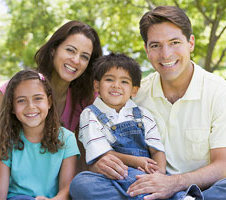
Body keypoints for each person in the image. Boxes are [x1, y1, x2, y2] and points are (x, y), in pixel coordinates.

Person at [72, 6, 226, 200]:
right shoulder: (135, 94)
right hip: (143, 185)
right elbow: (103, 151)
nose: (166, 54)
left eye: (174, 42)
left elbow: (225, 167)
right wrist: (99, 164)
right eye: (155, 45)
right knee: (83, 184)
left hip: (198, 191)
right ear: (146, 49)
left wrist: (172, 183)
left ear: (191, 43)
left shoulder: (222, 94)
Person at [0, 20, 102, 200]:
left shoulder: (85, 99)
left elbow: (81, 155)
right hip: (1, 172)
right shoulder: (16, 88)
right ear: (53, 49)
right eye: (70, 50)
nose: (76, 60)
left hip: (47, 182)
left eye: (85, 56)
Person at [70, 53, 168, 199]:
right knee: (80, 184)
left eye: (124, 82)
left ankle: (151, 192)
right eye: (109, 79)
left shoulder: (143, 114)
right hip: (112, 174)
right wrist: (136, 162)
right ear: (97, 85)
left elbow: (157, 150)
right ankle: (157, 195)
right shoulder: (90, 114)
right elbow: (103, 155)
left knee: (153, 181)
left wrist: (160, 176)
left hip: (146, 173)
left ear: (134, 90)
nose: (116, 85)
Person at [0, 70, 79, 200]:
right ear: (12, 108)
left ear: (48, 102)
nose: (31, 106)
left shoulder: (67, 139)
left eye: (37, 98)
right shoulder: (6, 140)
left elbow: (66, 189)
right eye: (21, 101)